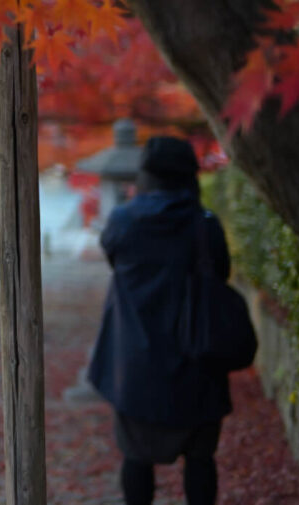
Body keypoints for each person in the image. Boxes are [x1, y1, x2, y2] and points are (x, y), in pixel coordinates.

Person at [86, 136, 234, 505]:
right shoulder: (205, 225)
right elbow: (222, 274)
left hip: (135, 362)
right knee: (200, 457)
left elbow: (113, 257)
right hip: (197, 356)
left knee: (136, 456)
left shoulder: (123, 221)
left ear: (146, 174)